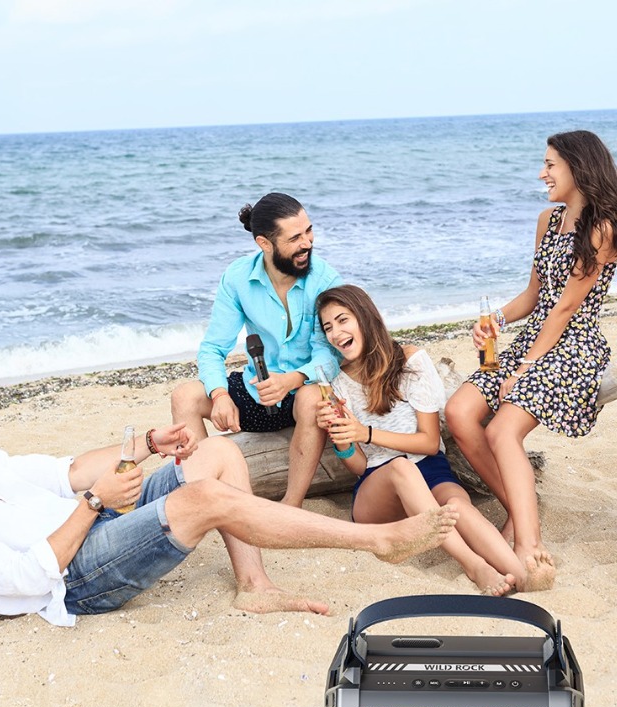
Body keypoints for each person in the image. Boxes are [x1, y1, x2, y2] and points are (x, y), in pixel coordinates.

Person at [0, 408, 459, 626]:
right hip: (73, 579)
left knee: (216, 453)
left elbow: (64, 470)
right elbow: (31, 578)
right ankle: (376, 540)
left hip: (93, 518)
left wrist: (145, 446)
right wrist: (94, 505)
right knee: (202, 499)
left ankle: (255, 585)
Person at [444, 131, 617, 587]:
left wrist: (524, 368)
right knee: (459, 411)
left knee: (501, 430)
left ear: (578, 167)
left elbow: (565, 308)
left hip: (573, 345)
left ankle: (528, 543)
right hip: (532, 340)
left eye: (550, 165)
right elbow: (535, 295)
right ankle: (520, 510)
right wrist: (495, 320)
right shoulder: (547, 220)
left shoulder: (602, 228)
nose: (543, 174)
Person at [315, 284, 533, 595]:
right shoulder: (337, 384)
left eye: (342, 320)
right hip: (380, 487)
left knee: (457, 506)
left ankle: (523, 577)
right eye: (328, 327)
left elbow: (430, 443)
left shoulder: (410, 360)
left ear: (364, 317)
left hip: (431, 469)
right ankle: (474, 565)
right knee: (400, 468)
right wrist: (342, 439)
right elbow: (361, 466)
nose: (336, 333)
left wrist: (368, 433)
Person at [171, 192, 342, 507]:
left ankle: (291, 505)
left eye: (309, 231)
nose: (307, 243)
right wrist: (219, 396)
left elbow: (330, 354)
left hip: (304, 392)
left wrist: (291, 380)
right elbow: (212, 348)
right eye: (295, 238)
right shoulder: (237, 277)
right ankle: (208, 499)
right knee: (185, 396)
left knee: (309, 397)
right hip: (258, 389)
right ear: (265, 243)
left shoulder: (325, 279)